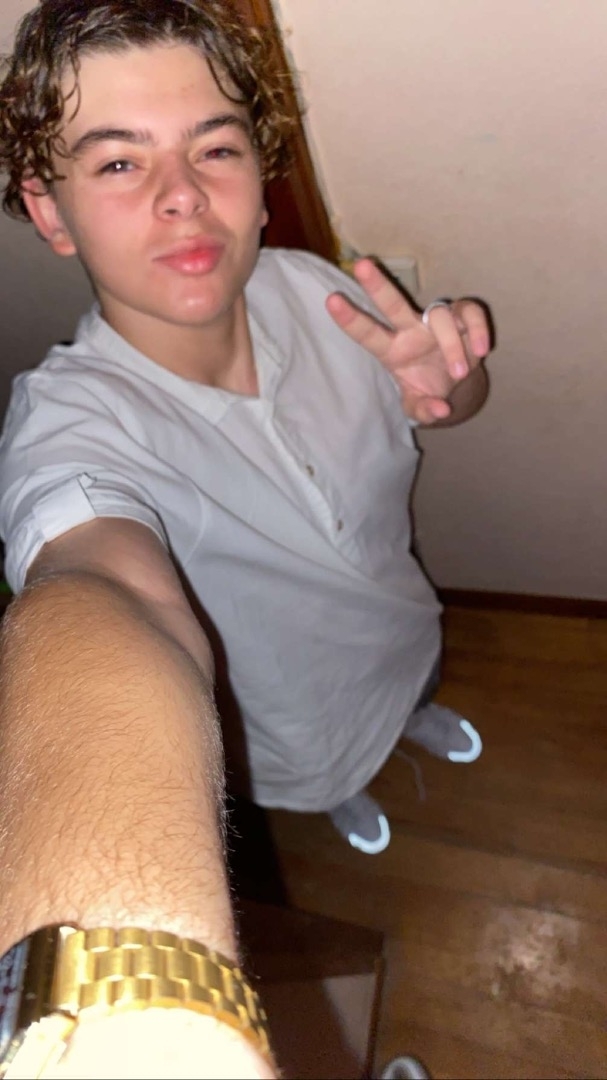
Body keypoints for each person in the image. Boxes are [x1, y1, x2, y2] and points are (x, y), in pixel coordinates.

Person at [0, 0, 489, 1072]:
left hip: (397, 625)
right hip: (289, 718)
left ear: (259, 176)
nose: (183, 194)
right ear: (50, 209)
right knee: (326, 769)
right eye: (118, 163)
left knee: (407, 682)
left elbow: (440, 404)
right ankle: (343, 793)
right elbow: (100, 589)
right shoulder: (74, 427)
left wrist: (449, 390)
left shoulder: (315, 292)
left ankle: (410, 718)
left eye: (214, 148)